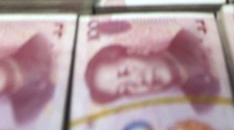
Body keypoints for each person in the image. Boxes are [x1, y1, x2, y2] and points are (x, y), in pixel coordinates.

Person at [84, 28, 220, 112]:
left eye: (125, 72)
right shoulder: (203, 103)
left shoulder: (189, 35)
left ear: (136, 51)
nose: (137, 81)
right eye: (125, 89)